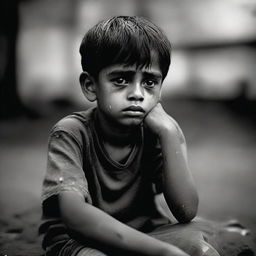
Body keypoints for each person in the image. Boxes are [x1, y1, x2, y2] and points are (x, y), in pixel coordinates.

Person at [39, 16, 221, 256]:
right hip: (82, 240)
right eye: (121, 79)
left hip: (143, 234)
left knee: (201, 243)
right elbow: (75, 217)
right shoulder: (71, 133)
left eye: (149, 82)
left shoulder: (157, 132)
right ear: (90, 86)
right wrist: (162, 252)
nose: (137, 94)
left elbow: (185, 210)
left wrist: (169, 133)